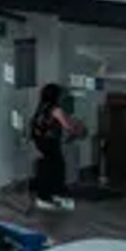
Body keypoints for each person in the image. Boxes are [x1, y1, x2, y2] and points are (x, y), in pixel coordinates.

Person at [30, 83, 82, 211]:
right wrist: (77, 128)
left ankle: (51, 194)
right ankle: (45, 197)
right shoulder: (55, 109)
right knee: (56, 167)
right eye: (60, 95)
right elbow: (67, 126)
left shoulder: (42, 106)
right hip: (50, 142)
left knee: (54, 166)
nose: (61, 97)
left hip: (41, 141)